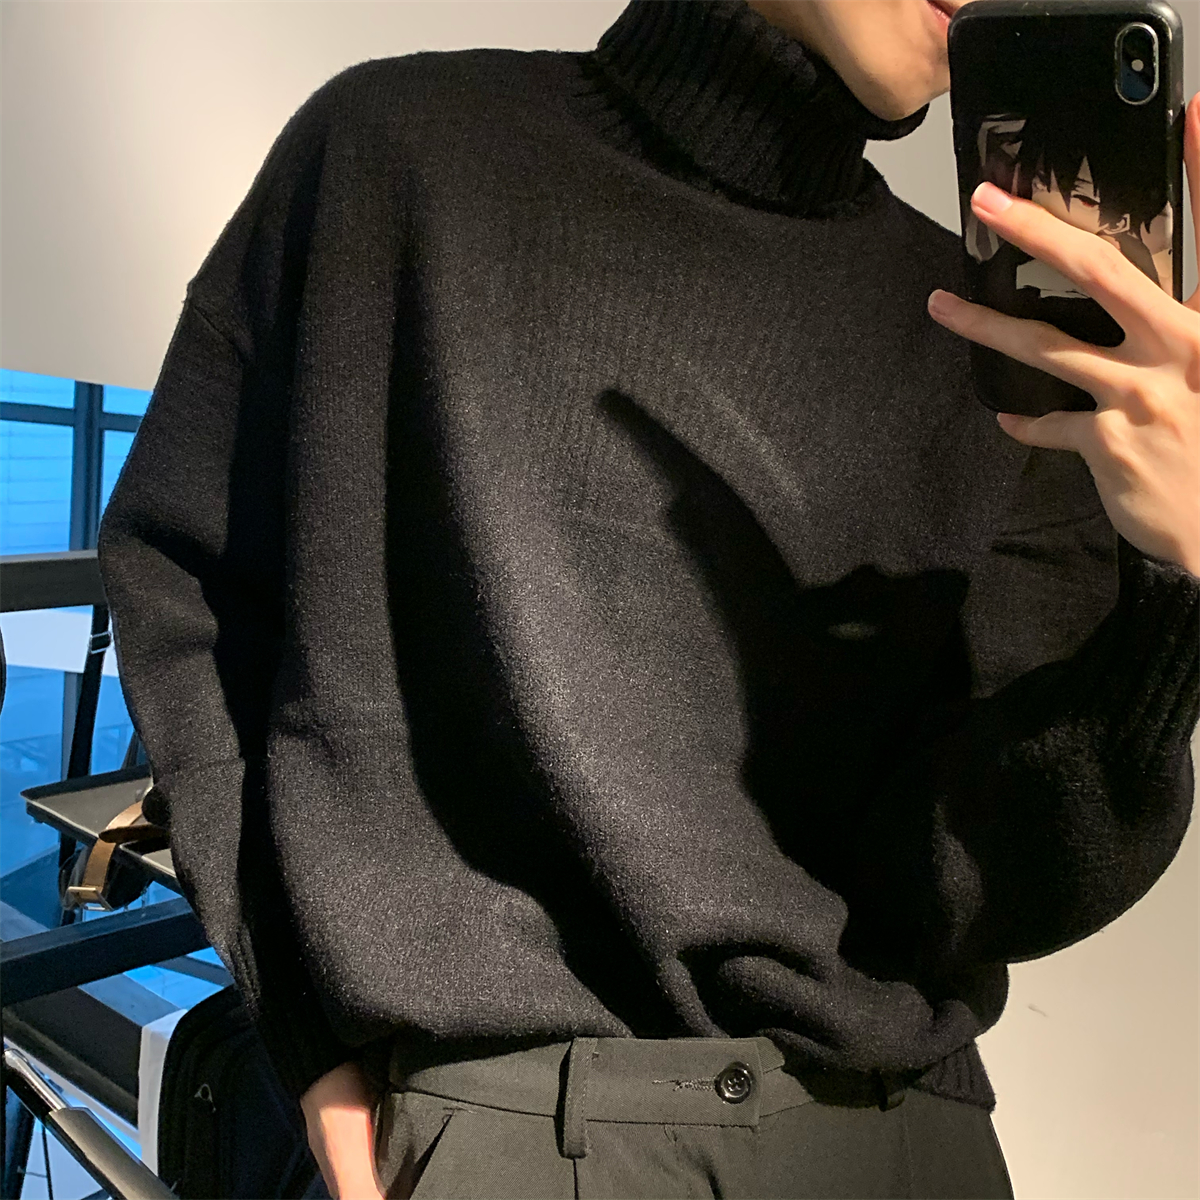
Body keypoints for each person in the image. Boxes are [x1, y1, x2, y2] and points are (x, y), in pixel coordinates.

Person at [96, 0, 1200, 1196]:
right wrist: (303, 1014)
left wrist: (1179, 584)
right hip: (523, 1123)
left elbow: (993, 881)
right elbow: (189, 588)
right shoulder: (399, 152)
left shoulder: (988, 341)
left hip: (904, 1131)